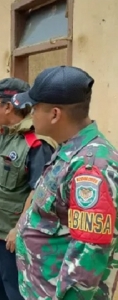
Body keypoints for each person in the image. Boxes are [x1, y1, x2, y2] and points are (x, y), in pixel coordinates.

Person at [14, 66, 118, 299]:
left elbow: (87, 261)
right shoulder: (68, 150)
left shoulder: (90, 169)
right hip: (40, 288)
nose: (31, 115)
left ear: (54, 114)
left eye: (35, 108)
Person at [0, 78, 56, 300]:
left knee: (16, 293)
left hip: (13, 238)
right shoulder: (4, 136)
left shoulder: (35, 144)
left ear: (8, 106)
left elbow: (39, 191)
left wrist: (18, 229)